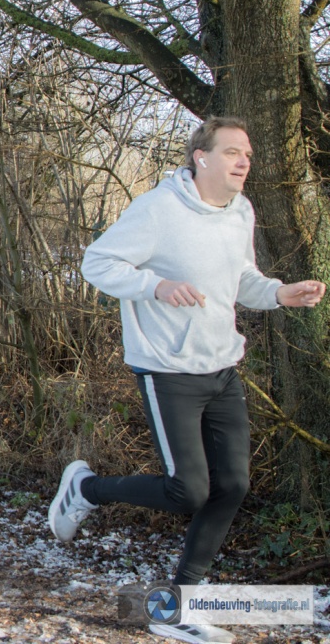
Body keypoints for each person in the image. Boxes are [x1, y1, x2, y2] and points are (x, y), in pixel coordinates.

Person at [53, 118, 325, 644]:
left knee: (233, 485)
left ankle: (176, 607)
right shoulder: (159, 209)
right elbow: (97, 262)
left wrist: (278, 293)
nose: (244, 161)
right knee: (188, 491)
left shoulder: (240, 211)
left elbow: (241, 279)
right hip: (168, 369)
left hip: (221, 367)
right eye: (232, 152)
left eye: (247, 154)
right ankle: (85, 488)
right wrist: (156, 286)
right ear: (201, 157)